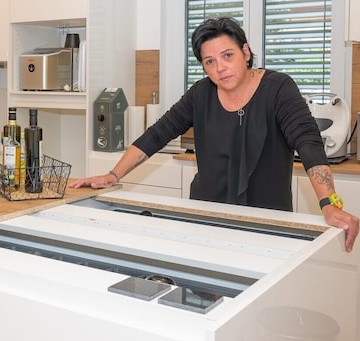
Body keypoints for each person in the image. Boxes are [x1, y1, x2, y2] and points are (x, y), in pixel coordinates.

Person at [69, 17, 358, 252]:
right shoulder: (201, 94)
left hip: (268, 222)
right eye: (209, 62)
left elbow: (307, 141)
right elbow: (158, 133)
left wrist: (328, 203)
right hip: (206, 219)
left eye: (227, 55)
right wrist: (113, 174)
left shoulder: (279, 88)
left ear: (245, 53)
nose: (220, 67)